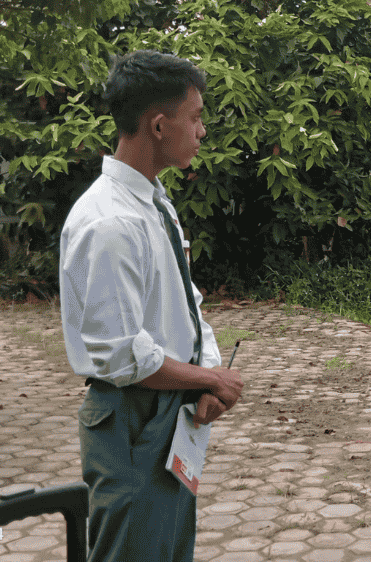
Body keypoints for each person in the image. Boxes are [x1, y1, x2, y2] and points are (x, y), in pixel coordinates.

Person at [59, 50, 243, 562]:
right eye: (196, 116)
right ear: (159, 126)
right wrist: (209, 379)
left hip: (169, 405)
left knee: (166, 547)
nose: (203, 130)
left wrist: (206, 369)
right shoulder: (110, 222)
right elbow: (121, 356)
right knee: (135, 549)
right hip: (133, 418)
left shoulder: (155, 202)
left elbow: (186, 302)